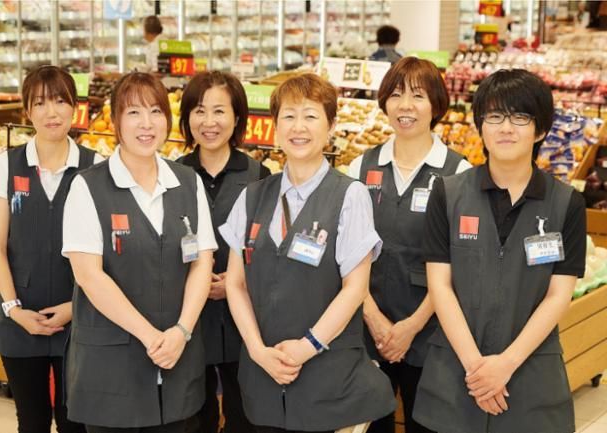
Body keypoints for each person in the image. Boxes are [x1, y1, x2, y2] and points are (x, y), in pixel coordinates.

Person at [219, 73, 395, 433]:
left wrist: (308, 346)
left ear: (330, 126)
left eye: (311, 116)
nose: (298, 127)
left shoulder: (349, 196)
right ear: (275, 127)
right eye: (288, 116)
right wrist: (256, 350)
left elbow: (355, 289)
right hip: (264, 378)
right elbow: (235, 284)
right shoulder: (251, 197)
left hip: (330, 382)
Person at [413, 69, 586, 433]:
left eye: (520, 117)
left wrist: (505, 364)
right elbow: (440, 286)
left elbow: (559, 295)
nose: (506, 128)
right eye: (494, 116)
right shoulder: (448, 194)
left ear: (540, 130)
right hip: (456, 377)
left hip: (529, 379)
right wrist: (477, 369)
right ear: (480, 125)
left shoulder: (566, 203)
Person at [62, 72, 217, 433]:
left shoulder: (187, 182)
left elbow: (202, 262)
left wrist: (181, 331)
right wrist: (151, 337)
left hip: (178, 359)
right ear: (116, 121)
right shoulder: (88, 186)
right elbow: (89, 275)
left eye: (156, 111)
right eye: (133, 112)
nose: (147, 124)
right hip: (112, 367)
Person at [348, 57, 471, 433]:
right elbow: (347, 255)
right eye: (396, 94)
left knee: (427, 424)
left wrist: (410, 327)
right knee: (370, 425)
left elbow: (460, 264)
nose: (405, 106)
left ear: (436, 104)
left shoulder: (459, 173)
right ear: (384, 101)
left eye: (418, 95)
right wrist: (374, 319)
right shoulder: (360, 167)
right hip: (366, 328)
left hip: (432, 332)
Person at [0, 65, 101, 433]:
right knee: (30, 421)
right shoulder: (6, 166)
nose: (52, 112)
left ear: (75, 107)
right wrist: (13, 309)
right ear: (27, 111)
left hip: (80, 320)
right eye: (41, 103)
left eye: (61, 101)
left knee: (75, 422)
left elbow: (104, 255)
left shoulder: (95, 168)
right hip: (19, 320)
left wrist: (74, 307)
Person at [176, 71, 270, 433]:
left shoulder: (259, 176)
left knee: (244, 414)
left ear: (237, 117)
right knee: (192, 416)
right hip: (188, 319)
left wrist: (235, 279)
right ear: (187, 117)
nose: (209, 122)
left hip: (243, 319)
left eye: (220, 111)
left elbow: (269, 247)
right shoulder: (173, 176)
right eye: (199, 111)